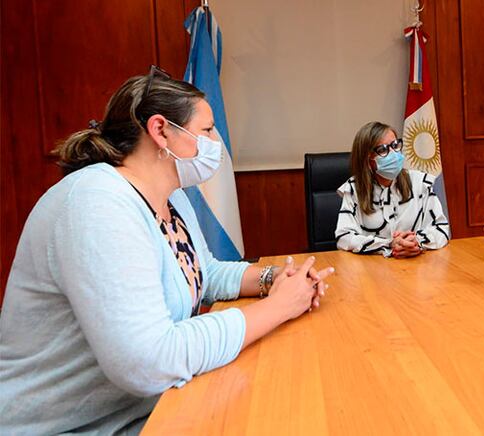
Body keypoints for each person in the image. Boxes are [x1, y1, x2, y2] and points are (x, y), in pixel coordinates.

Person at [0, 67, 334, 434]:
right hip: (72, 427)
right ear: (161, 130)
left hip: (147, 410)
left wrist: (276, 280)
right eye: (207, 131)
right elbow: (149, 361)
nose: (215, 143)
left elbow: (204, 273)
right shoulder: (97, 204)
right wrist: (279, 307)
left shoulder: (170, 194)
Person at [335, 121, 450, 258]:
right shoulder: (354, 189)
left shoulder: (420, 183)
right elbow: (344, 238)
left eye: (395, 145)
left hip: (416, 267)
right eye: (383, 149)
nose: (393, 153)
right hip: (371, 269)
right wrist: (389, 244)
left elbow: (441, 229)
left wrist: (417, 242)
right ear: (367, 158)